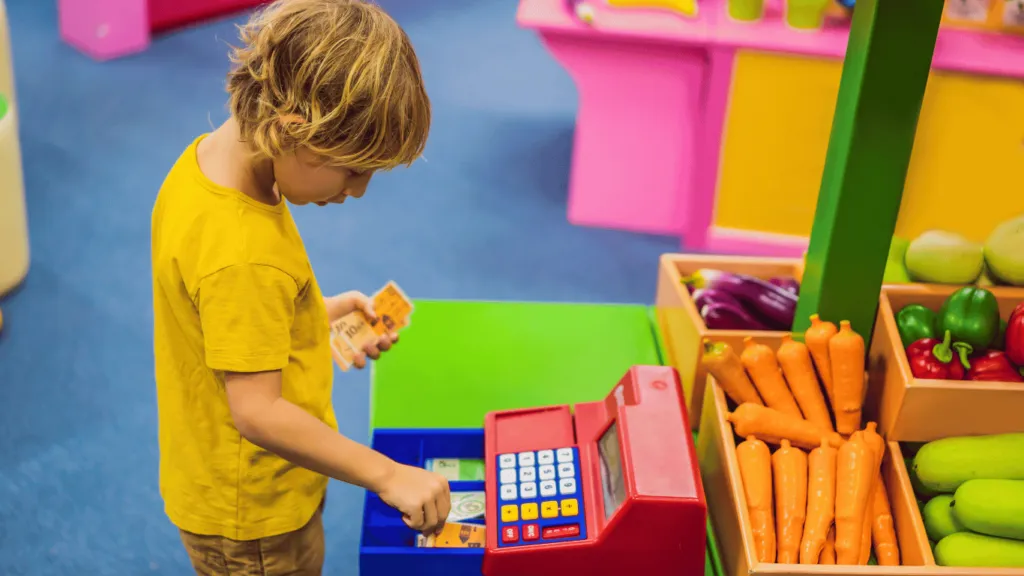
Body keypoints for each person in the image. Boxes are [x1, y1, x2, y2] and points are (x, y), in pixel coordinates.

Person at [150, 1, 450, 573]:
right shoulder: (244, 254)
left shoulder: (208, 165)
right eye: (352, 169)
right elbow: (258, 414)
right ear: (293, 132)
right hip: (255, 513)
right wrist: (387, 474)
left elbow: (223, 317)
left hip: (224, 478)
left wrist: (317, 313)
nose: (358, 191)